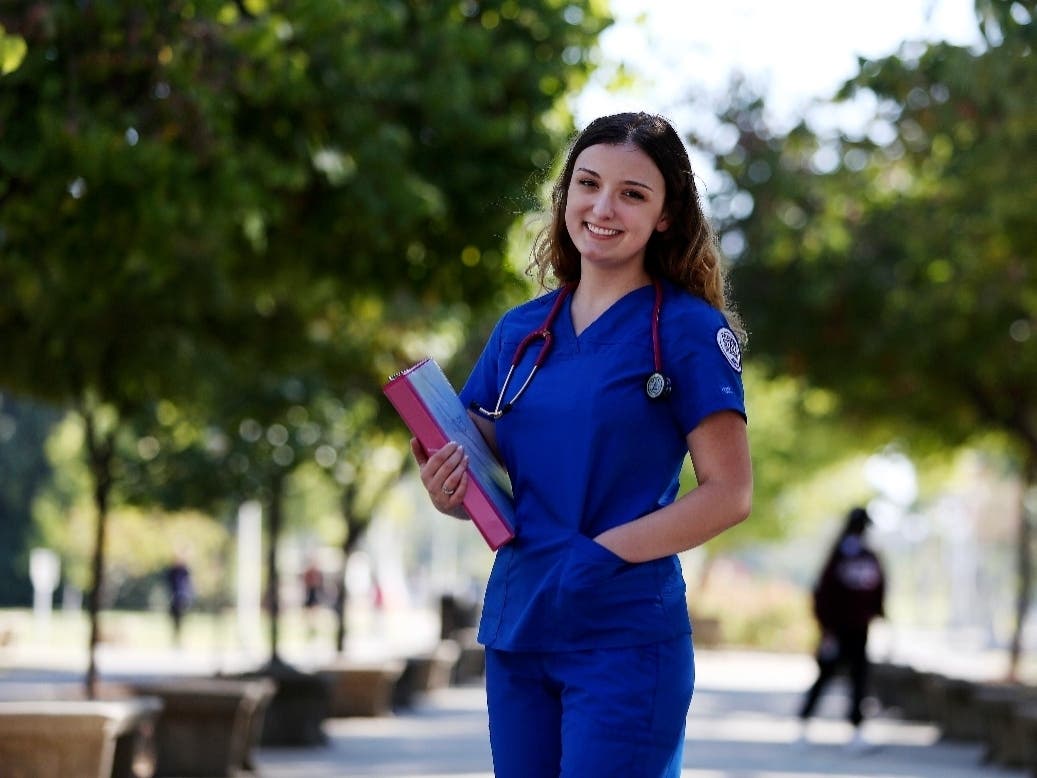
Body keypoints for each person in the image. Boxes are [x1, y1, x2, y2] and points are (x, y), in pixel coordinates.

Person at [411, 112, 753, 777]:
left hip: (622, 630)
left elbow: (728, 494)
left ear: (664, 215)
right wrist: (445, 490)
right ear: (564, 194)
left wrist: (599, 555)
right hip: (521, 624)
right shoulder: (520, 332)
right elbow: (479, 472)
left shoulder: (686, 330)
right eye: (588, 184)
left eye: (632, 193)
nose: (602, 207)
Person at [796, 506, 886, 750]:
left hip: (859, 629)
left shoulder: (870, 556)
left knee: (859, 679)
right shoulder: (837, 557)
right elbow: (823, 593)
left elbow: (878, 589)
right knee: (826, 675)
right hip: (836, 629)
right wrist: (826, 627)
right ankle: (803, 723)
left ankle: (856, 730)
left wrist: (878, 613)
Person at [165, 554, 193, 647]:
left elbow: (188, 583)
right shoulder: (173, 572)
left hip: (182, 599)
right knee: (174, 621)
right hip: (174, 599)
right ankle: (175, 639)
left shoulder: (184, 571)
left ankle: (180, 640)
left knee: (182, 621)